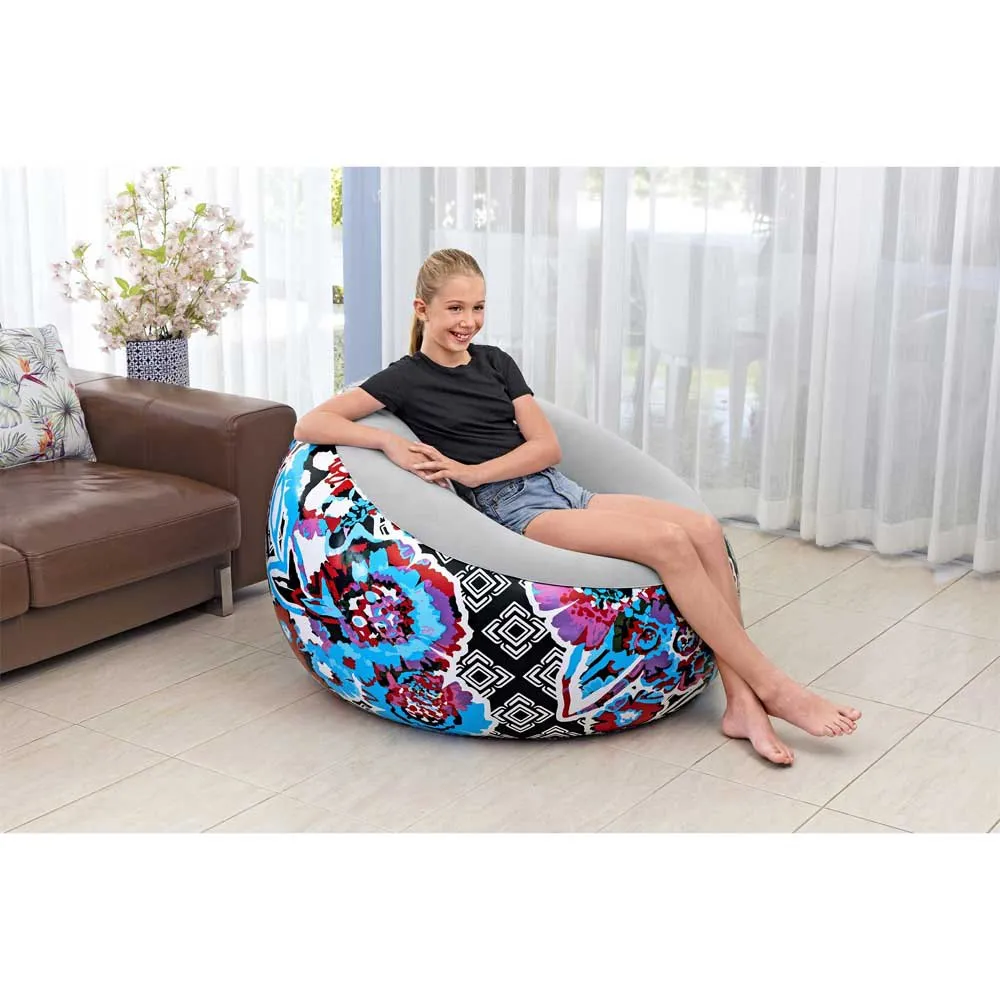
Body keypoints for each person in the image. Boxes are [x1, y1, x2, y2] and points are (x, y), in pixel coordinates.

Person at [294, 248, 862, 765]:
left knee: (705, 529)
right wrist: (389, 441)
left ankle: (741, 701)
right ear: (423, 309)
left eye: (478, 307)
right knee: (668, 543)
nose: (468, 321)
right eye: (455, 309)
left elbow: (547, 447)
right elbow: (311, 422)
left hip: (561, 488)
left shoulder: (495, 363)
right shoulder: (404, 379)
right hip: (514, 511)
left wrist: (472, 469)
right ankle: (776, 688)